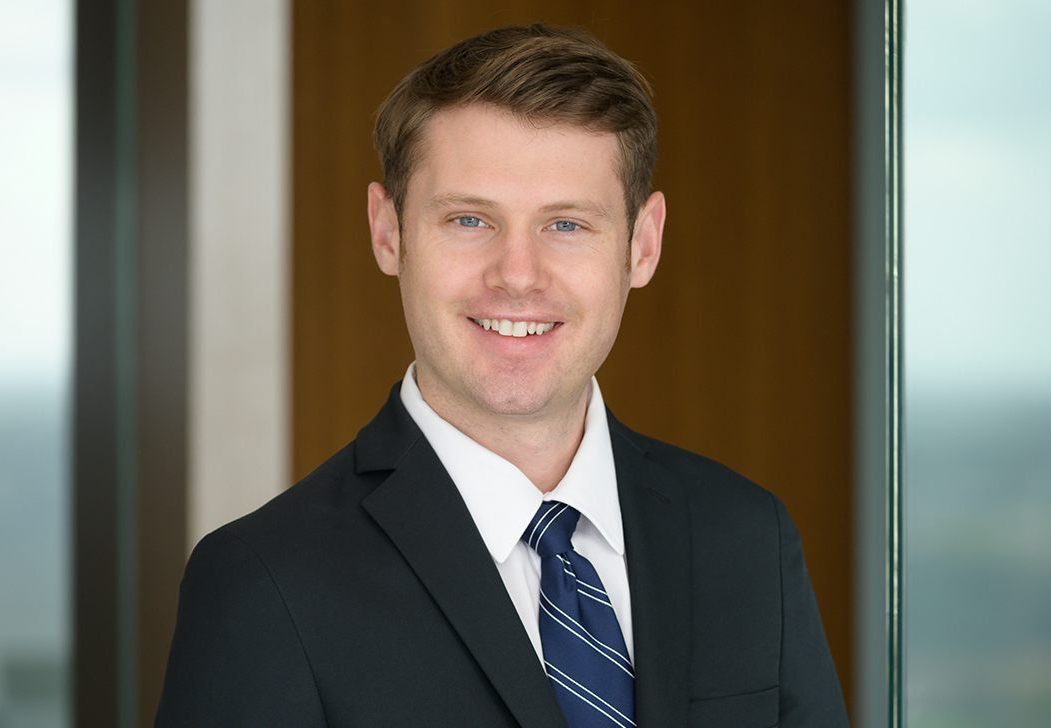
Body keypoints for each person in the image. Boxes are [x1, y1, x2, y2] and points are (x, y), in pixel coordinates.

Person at [155, 23, 849, 727]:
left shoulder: (748, 539)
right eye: (469, 220)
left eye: (566, 225)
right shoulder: (264, 584)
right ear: (388, 232)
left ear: (643, 245)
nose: (518, 276)